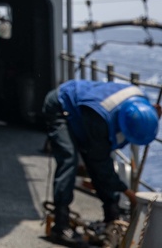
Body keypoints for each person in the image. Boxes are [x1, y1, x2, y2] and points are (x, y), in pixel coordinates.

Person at [43, 79, 161, 244]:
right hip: (62, 106)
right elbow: (100, 163)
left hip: (86, 113)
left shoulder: (143, 103)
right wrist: (128, 193)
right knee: (69, 159)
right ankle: (60, 224)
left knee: (97, 161)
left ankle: (112, 217)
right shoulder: (101, 117)